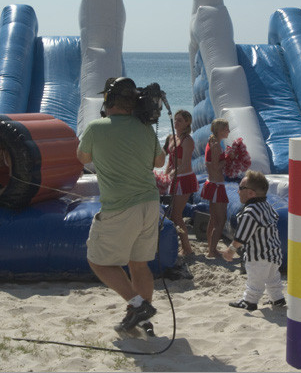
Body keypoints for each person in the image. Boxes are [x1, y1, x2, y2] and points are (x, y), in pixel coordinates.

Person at [77, 77, 166, 333]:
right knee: (139, 264)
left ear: (109, 100)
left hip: (120, 206)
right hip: (150, 204)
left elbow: (82, 157)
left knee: (98, 261)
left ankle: (137, 305)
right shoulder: (145, 128)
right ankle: (143, 319)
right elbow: (159, 162)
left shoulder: (96, 127)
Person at [222, 170, 285, 311]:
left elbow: (242, 236)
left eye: (241, 188)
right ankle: (277, 298)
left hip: (258, 255)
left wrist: (231, 250)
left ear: (250, 193)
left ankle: (249, 301)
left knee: (254, 280)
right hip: (274, 253)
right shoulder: (266, 206)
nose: (238, 192)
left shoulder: (250, 211)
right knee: (272, 279)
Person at [164, 110, 198, 256]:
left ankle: (187, 247)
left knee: (177, 215)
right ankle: (180, 245)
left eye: (180, 120)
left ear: (187, 123)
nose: (176, 122)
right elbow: (168, 160)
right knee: (171, 214)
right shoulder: (171, 137)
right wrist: (165, 176)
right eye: (175, 120)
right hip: (173, 178)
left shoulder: (188, 140)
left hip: (184, 179)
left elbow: (185, 163)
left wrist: (172, 174)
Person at [200, 118, 230, 258]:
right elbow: (216, 167)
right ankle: (212, 250)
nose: (228, 131)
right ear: (219, 130)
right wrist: (229, 158)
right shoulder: (216, 145)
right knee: (220, 220)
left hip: (211, 183)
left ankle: (211, 248)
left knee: (213, 219)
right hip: (216, 185)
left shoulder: (211, 142)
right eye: (226, 129)